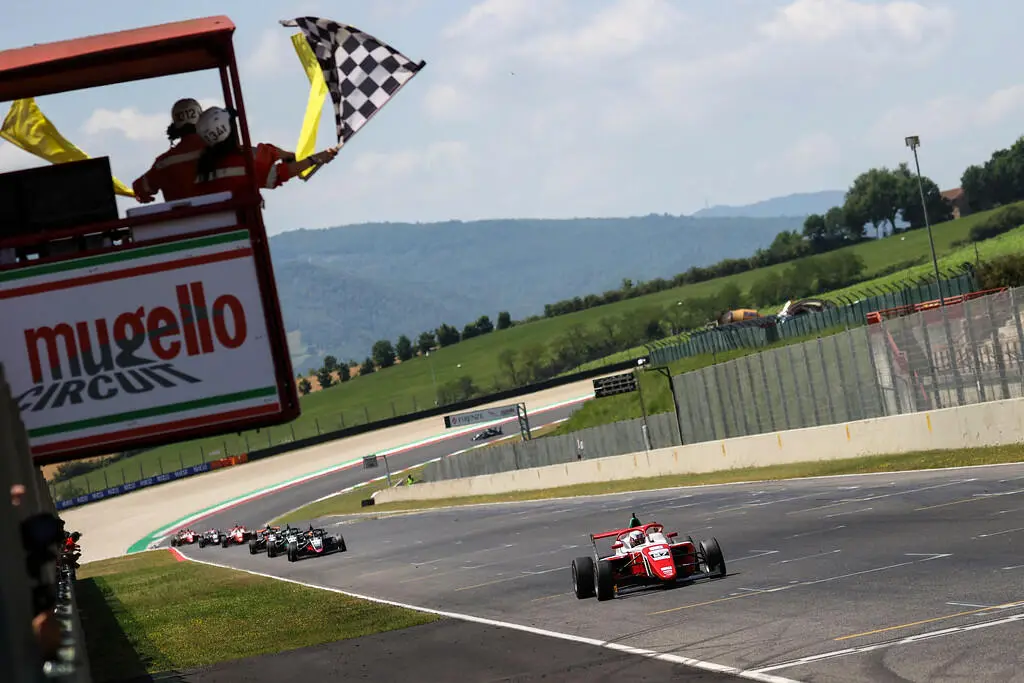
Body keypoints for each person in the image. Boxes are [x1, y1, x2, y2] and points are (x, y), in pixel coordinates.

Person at [190, 106, 339, 198]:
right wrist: (319, 157)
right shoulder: (245, 162)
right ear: (229, 129)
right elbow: (284, 172)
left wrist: (283, 154)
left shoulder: (202, 168)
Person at [132, 98, 206, 203]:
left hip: (183, 218)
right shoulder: (222, 151)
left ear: (175, 126)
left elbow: (140, 188)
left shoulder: (164, 163)